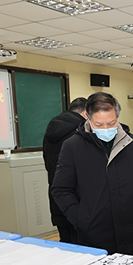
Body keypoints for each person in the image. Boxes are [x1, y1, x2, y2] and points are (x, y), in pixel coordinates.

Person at [51, 92, 133, 256]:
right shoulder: (73, 146)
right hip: (93, 238)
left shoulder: (131, 143)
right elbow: (60, 189)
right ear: (88, 119)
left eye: (111, 123)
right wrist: (81, 219)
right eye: (99, 124)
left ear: (117, 117)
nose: (106, 129)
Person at [42, 97, 87, 243]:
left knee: (66, 244)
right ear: (85, 113)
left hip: (57, 197)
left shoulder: (51, 129)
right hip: (78, 200)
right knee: (83, 247)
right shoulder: (80, 132)